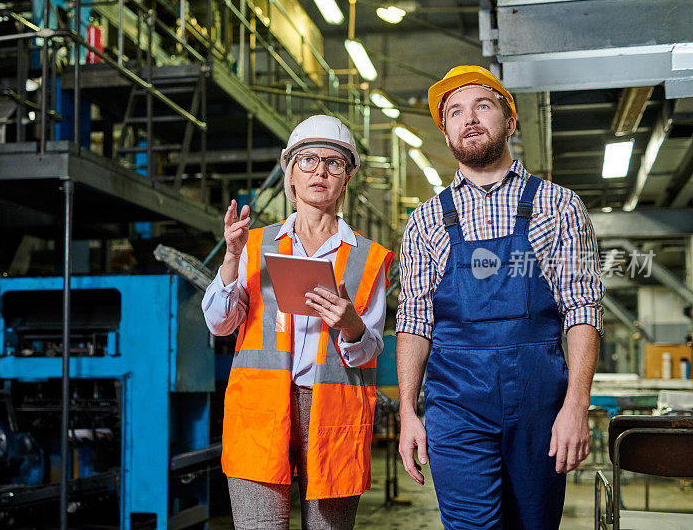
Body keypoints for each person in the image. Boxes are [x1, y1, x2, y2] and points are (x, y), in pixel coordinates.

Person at [396, 65, 604, 529]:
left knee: (534, 523)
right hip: (456, 403)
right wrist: (409, 410)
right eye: (454, 112)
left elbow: (582, 309)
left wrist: (576, 406)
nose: (468, 118)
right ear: (446, 131)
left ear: (509, 121)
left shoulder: (559, 205)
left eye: (482, 105)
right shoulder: (426, 221)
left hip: (540, 405)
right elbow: (413, 321)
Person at [202, 115, 393, 529]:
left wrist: (350, 324)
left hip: (333, 416)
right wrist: (232, 259)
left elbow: (370, 349)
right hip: (261, 409)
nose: (320, 171)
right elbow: (219, 323)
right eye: (307, 160)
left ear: (347, 178)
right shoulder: (254, 244)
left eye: (334, 162)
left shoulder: (369, 258)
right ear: (290, 173)